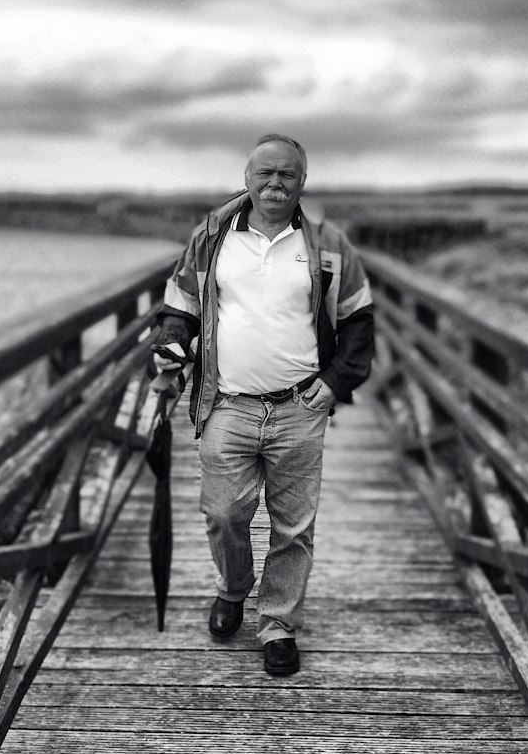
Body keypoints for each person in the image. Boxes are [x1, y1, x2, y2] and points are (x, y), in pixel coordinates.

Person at [150, 133, 374, 676]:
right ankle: (232, 589)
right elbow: (179, 304)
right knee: (224, 514)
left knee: (294, 526)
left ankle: (277, 624)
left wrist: (337, 382)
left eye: (287, 175)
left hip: (299, 405)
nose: (275, 183)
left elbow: (358, 319)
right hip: (226, 403)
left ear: (303, 182)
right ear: (248, 177)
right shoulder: (211, 237)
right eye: (265, 174)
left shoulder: (326, 245)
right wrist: (173, 348)